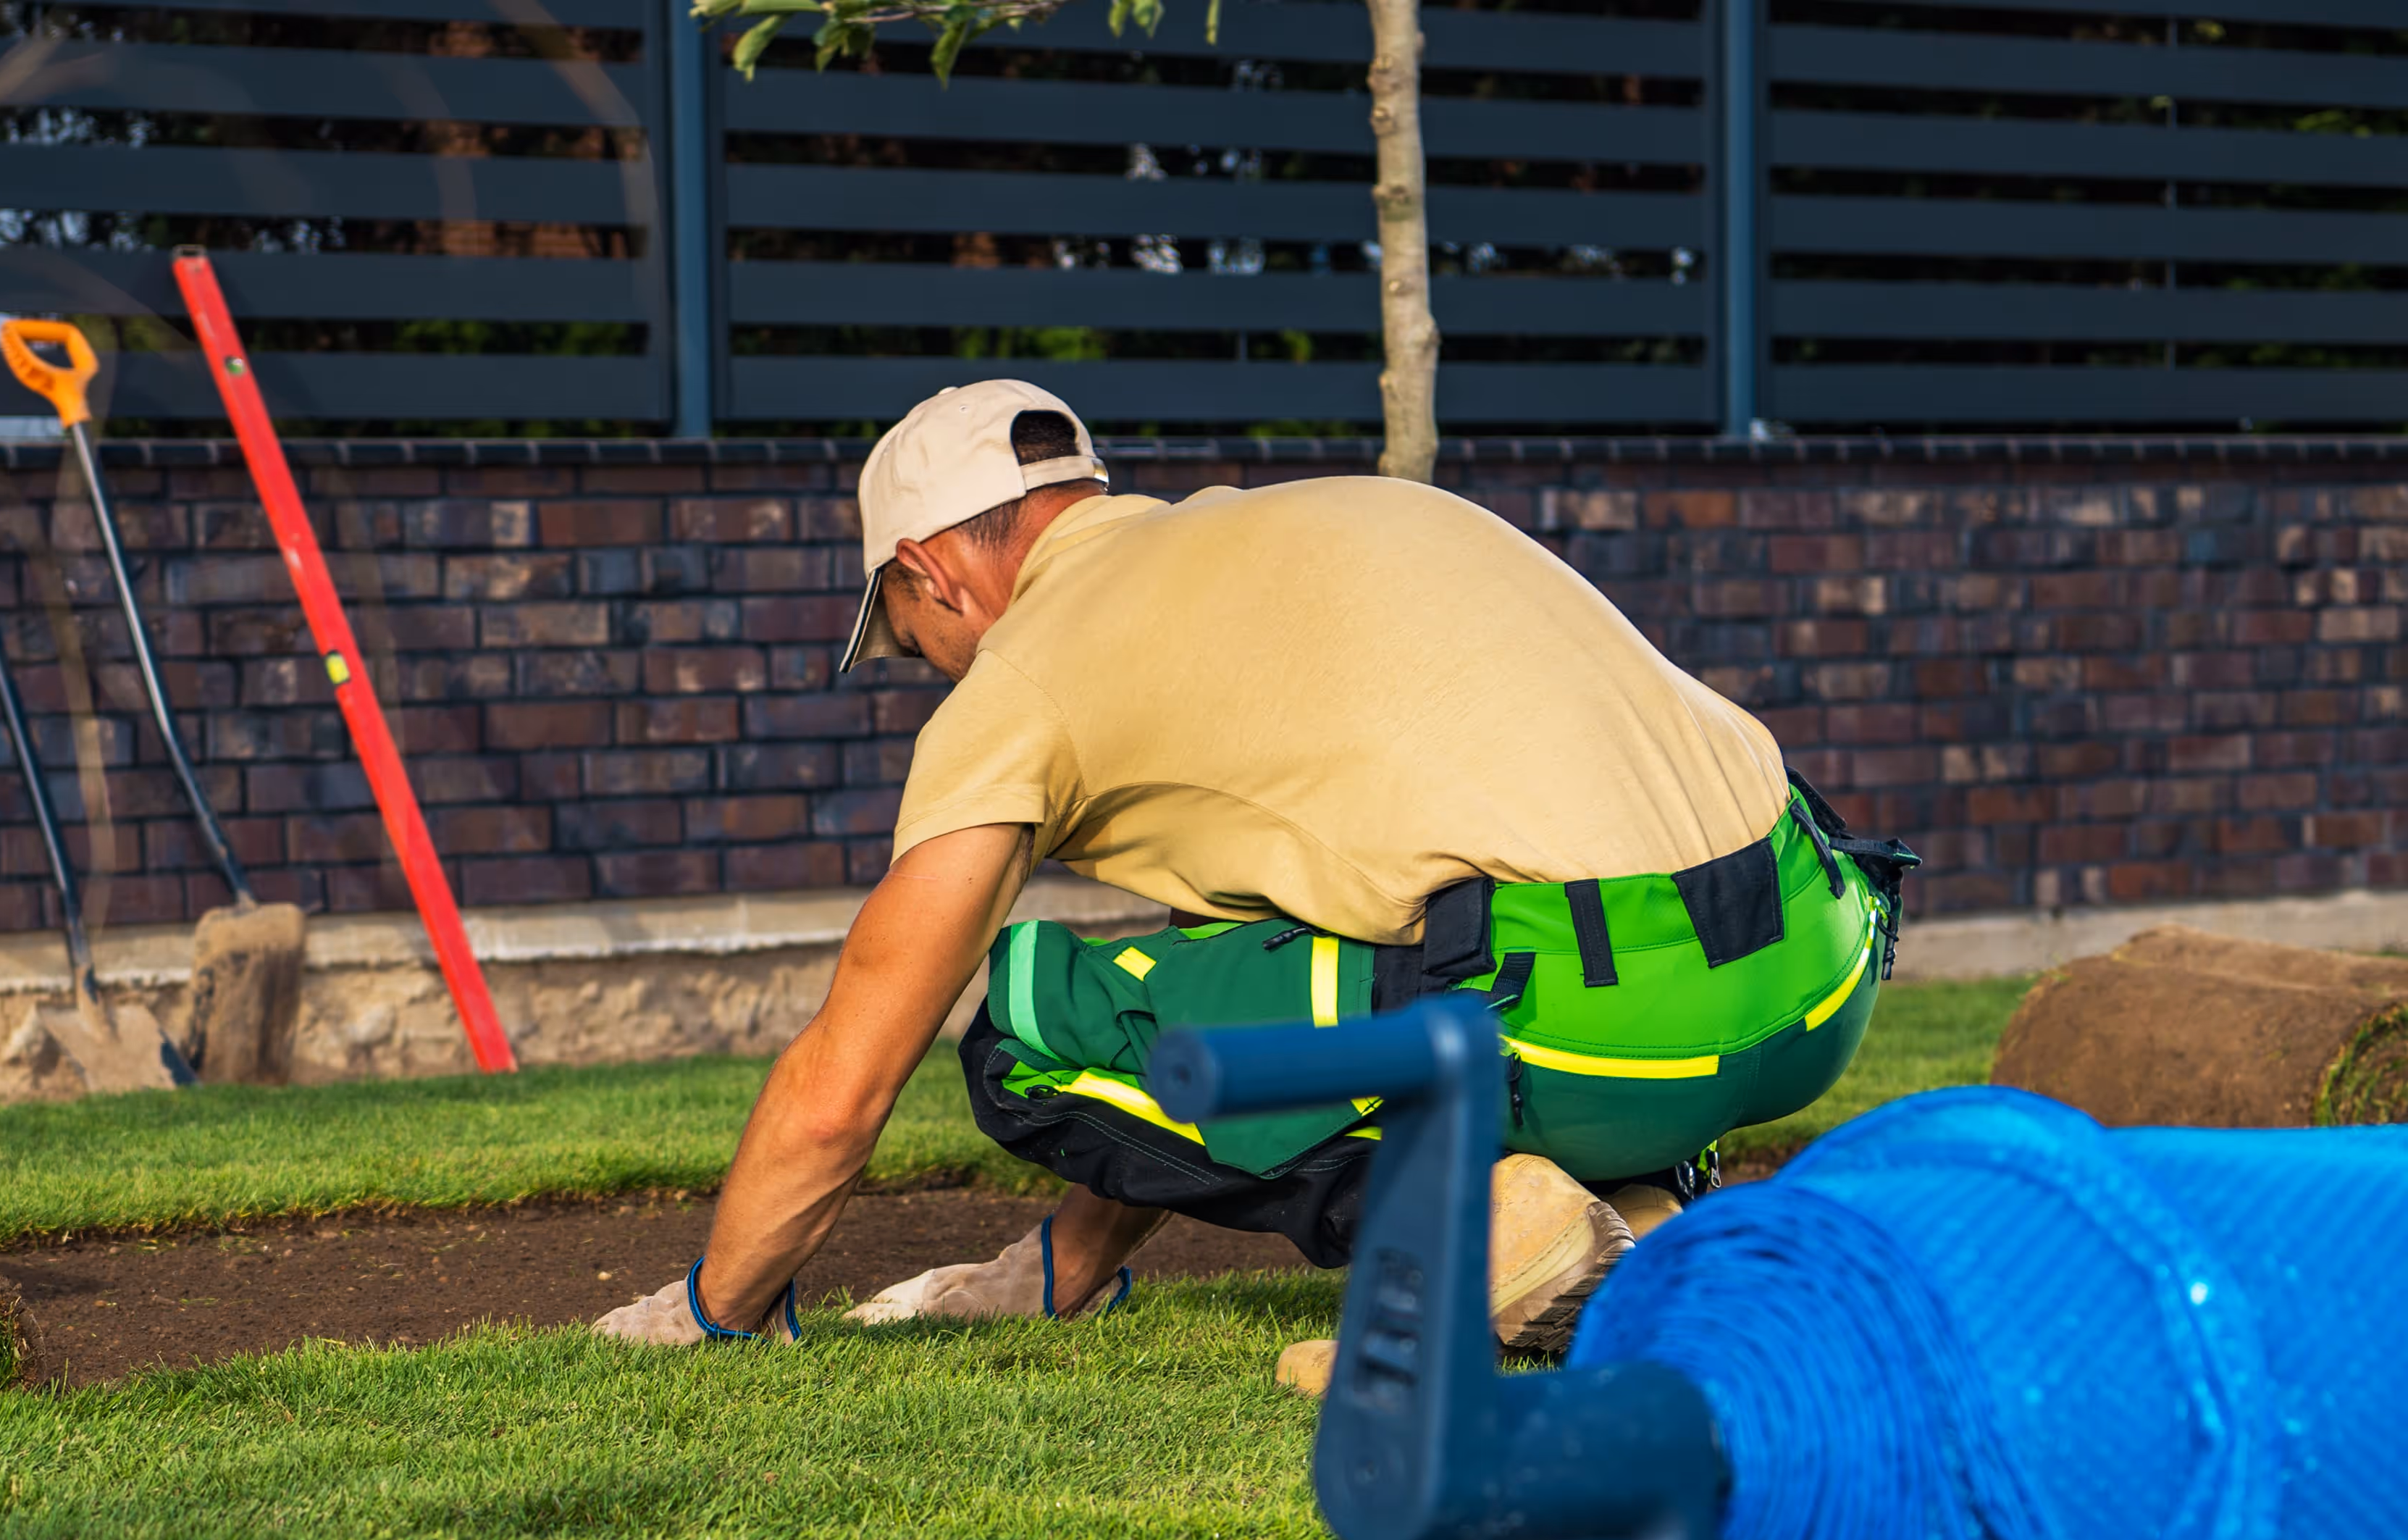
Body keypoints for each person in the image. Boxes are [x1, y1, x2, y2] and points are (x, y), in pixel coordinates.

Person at [595, 380, 1908, 1365]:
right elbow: (1216, 990)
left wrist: (714, 1306)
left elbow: (849, 1071)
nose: (926, 664)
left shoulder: (1026, 681)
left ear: (930, 573)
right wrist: (1062, 1268)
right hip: (1808, 957)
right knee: (1285, 980)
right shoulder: (1301, 534)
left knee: (1029, 1023)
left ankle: (1469, 1226)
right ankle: (1647, 1222)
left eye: (905, 636)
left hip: (1587, 1011)